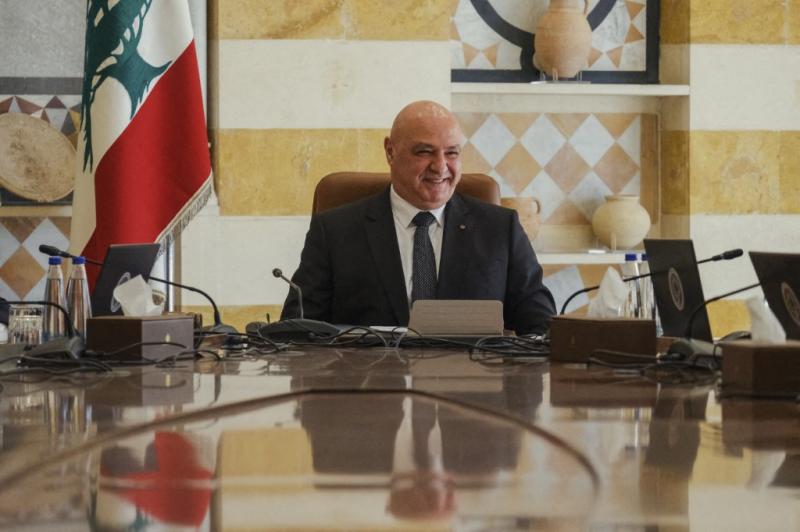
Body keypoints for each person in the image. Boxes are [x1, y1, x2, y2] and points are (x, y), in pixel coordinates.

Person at [281, 100, 555, 334]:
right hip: (368, 379)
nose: (440, 167)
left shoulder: (500, 229)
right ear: (390, 152)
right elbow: (296, 332)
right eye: (424, 152)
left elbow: (542, 327)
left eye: (452, 153)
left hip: (472, 378)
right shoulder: (334, 231)